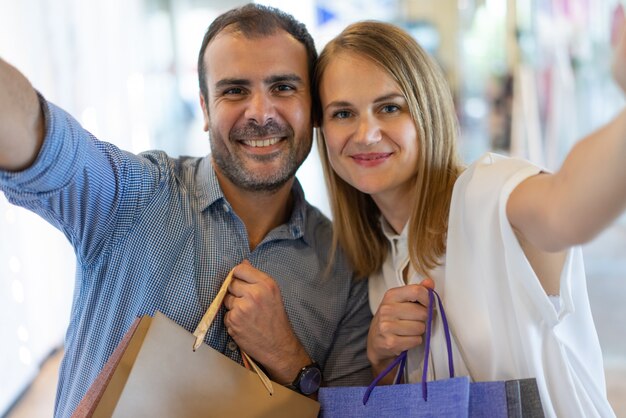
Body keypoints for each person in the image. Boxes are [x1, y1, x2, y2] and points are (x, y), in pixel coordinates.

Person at [0, 4, 372, 417]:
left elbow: (350, 410)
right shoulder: (134, 197)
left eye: (283, 87)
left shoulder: (344, 270)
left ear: (313, 109)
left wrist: (290, 359)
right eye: (234, 90)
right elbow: (43, 142)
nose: (261, 113)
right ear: (205, 109)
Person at [313, 20, 626, 417]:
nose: (366, 133)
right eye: (343, 113)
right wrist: (380, 355)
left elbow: (566, 210)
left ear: (427, 109)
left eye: (389, 107)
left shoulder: (485, 193)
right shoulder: (375, 260)